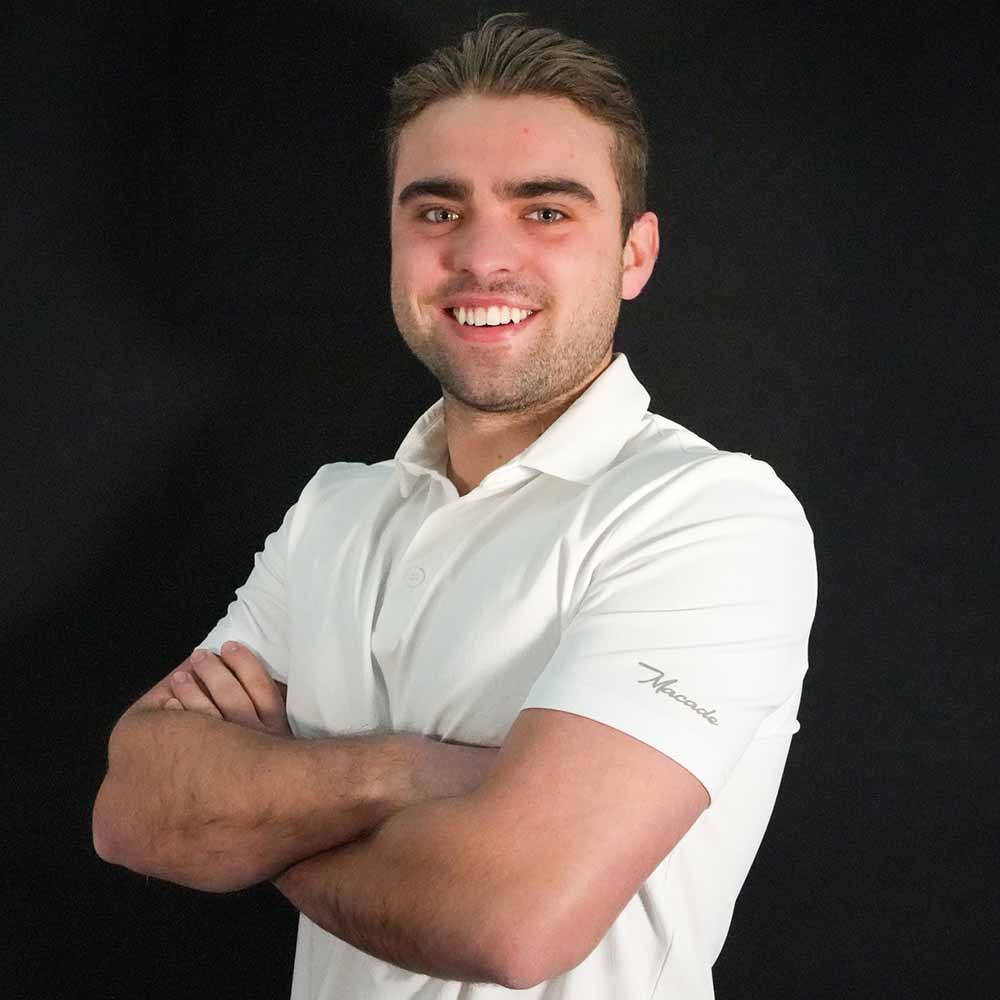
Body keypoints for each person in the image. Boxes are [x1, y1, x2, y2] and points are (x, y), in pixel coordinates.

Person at [92, 11, 817, 999]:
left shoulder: (706, 516)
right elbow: (133, 808)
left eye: (545, 211)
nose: (482, 257)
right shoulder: (332, 513)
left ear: (634, 254)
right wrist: (407, 770)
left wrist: (250, 827)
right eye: (437, 211)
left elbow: (510, 924)